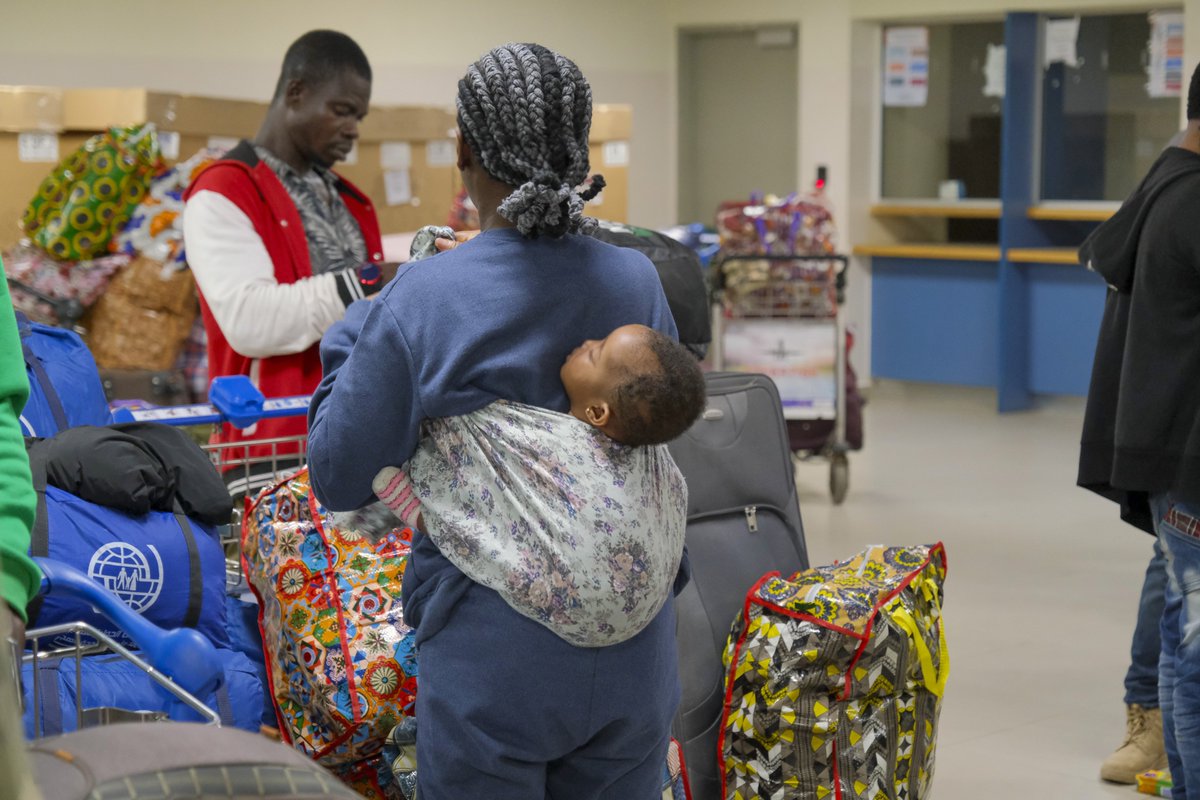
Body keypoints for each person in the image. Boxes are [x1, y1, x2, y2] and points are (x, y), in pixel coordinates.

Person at [308, 43, 685, 799]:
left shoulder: (424, 299)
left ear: (464, 153)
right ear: (578, 155)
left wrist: (362, 328)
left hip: (497, 656)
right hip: (637, 650)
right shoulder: (635, 280)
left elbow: (340, 471)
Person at [373, 324, 705, 647]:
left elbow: (460, 436)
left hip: (588, 607)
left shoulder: (538, 444)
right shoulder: (644, 438)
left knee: (495, 526)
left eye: (594, 353)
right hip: (643, 611)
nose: (586, 340)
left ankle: (421, 516)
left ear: (597, 412)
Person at [183, 30, 393, 493]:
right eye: (342, 110)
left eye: (359, 116)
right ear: (296, 92)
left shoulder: (349, 200)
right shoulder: (223, 192)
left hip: (360, 448)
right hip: (272, 453)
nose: (354, 129)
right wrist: (368, 285)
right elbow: (250, 321)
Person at [1078, 62, 1200, 798]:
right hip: (1188, 453)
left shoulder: (1166, 186)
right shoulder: (1189, 202)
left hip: (1171, 448)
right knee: (1193, 635)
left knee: (1183, 610)